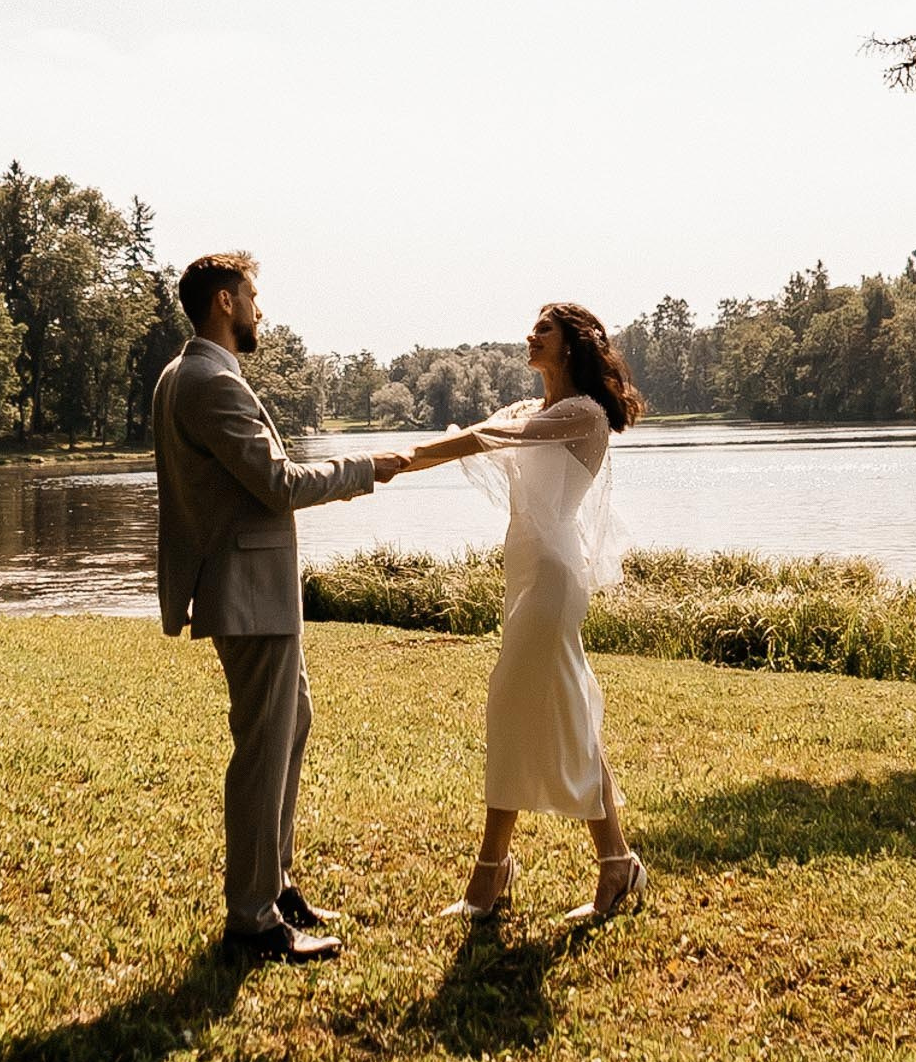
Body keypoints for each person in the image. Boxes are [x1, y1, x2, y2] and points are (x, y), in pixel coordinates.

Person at [153, 250, 403, 963]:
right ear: (224, 302)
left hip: (246, 587)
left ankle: (276, 883)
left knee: (292, 723)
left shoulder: (184, 374)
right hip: (247, 590)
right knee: (263, 749)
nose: (260, 310)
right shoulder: (209, 381)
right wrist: (365, 468)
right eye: (252, 296)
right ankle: (253, 920)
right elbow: (279, 484)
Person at [390, 300, 646, 923]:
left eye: (544, 329)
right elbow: (488, 430)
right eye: (532, 328)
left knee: (515, 702)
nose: (531, 336)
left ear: (572, 344)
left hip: (554, 575)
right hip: (525, 569)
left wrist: (404, 459)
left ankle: (492, 872)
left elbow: (483, 438)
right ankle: (615, 862)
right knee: (556, 710)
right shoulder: (531, 410)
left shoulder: (583, 415)